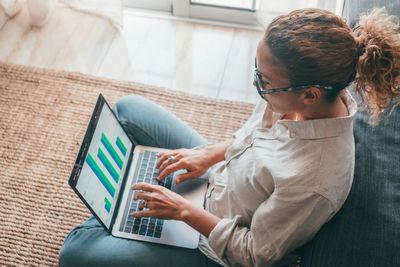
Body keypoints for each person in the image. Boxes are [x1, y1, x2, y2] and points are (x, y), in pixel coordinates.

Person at [59, 8, 400, 267]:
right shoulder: (303, 100)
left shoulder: (314, 179)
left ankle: (125, 213)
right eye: (257, 69)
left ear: (308, 94)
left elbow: (256, 253)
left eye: (264, 80)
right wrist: (209, 155)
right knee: (128, 109)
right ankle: (128, 207)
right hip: (220, 181)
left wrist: (183, 212)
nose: (257, 85)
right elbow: (255, 140)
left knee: (76, 251)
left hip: (213, 242)